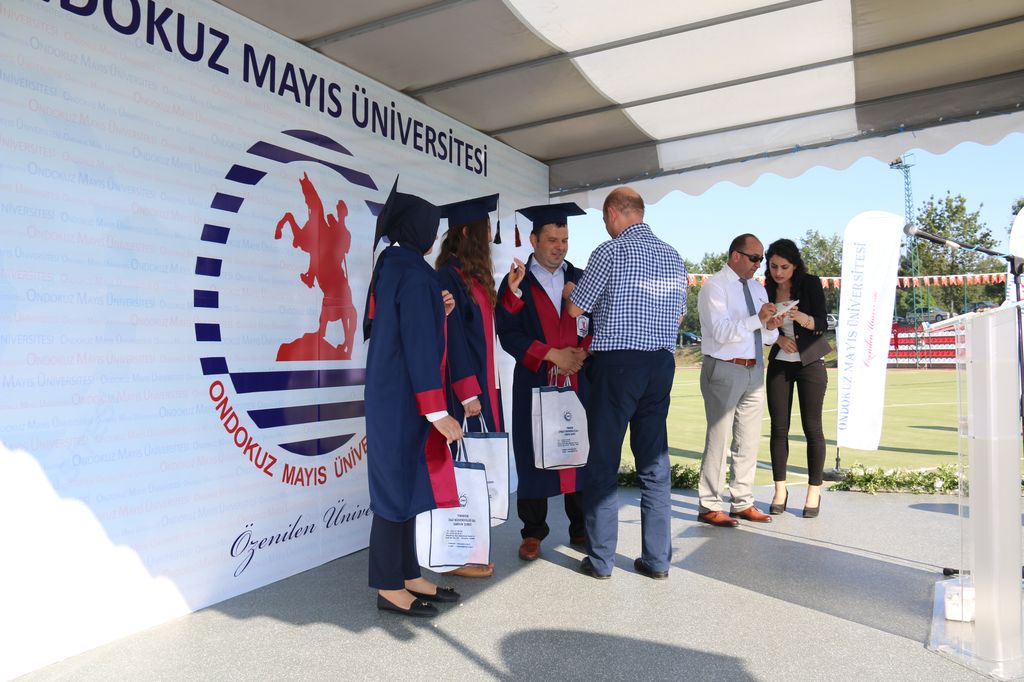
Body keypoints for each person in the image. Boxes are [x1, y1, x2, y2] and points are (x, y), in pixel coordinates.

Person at [566, 187, 687, 580]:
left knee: (603, 461)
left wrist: (572, 292)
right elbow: (679, 315)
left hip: (617, 365)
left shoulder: (609, 251)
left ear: (614, 214)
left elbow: (576, 308)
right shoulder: (673, 255)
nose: (606, 225)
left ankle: (601, 561)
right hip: (660, 365)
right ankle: (657, 560)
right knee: (654, 464)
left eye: (605, 219)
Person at [362, 180, 469, 618]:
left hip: (393, 396)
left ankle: (408, 574)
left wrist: (436, 308)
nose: (436, 236)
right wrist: (437, 410)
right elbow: (419, 344)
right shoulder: (415, 273)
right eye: (433, 228)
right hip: (405, 398)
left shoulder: (393, 265)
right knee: (394, 491)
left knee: (404, 486)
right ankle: (390, 586)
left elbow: (392, 326)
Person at [496, 202, 590, 562]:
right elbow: (508, 333)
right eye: (552, 240)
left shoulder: (581, 278)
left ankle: (580, 526)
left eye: (564, 240)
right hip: (535, 379)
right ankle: (533, 532)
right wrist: (552, 355)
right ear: (534, 240)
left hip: (577, 379)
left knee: (577, 447)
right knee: (533, 450)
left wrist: (580, 355)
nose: (559, 247)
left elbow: (597, 323)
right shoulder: (517, 282)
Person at [435, 193, 502, 578]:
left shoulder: (473, 276)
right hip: (464, 390)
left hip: (484, 386)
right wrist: (467, 392)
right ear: (466, 232)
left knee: (475, 470)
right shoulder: (448, 276)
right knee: (459, 470)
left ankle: (472, 547)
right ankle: (455, 554)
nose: (489, 236)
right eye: (484, 229)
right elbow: (454, 338)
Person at [696, 234, 782, 528]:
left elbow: (766, 337)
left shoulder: (757, 289)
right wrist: (758, 320)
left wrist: (771, 325)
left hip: (754, 368)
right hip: (724, 367)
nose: (759, 264)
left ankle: (742, 501)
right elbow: (721, 332)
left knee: (748, 439)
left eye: (761, 259)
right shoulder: (715, 287)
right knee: (719, 439)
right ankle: (709, 505)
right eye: (754, 258)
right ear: (736, 256)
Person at [764, 238, 829, 518]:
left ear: (795, 265)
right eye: (773, 266)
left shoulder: (810, 284)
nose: (778, 272)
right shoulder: (764, 289)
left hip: (811, 362)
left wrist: (801, 317)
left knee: (812, 428)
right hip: (779, 364)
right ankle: (780, 490)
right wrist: (778, 337)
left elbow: (822, 324)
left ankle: (814, 491)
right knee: (779, 428)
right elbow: (760, 328)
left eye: (784, 267)